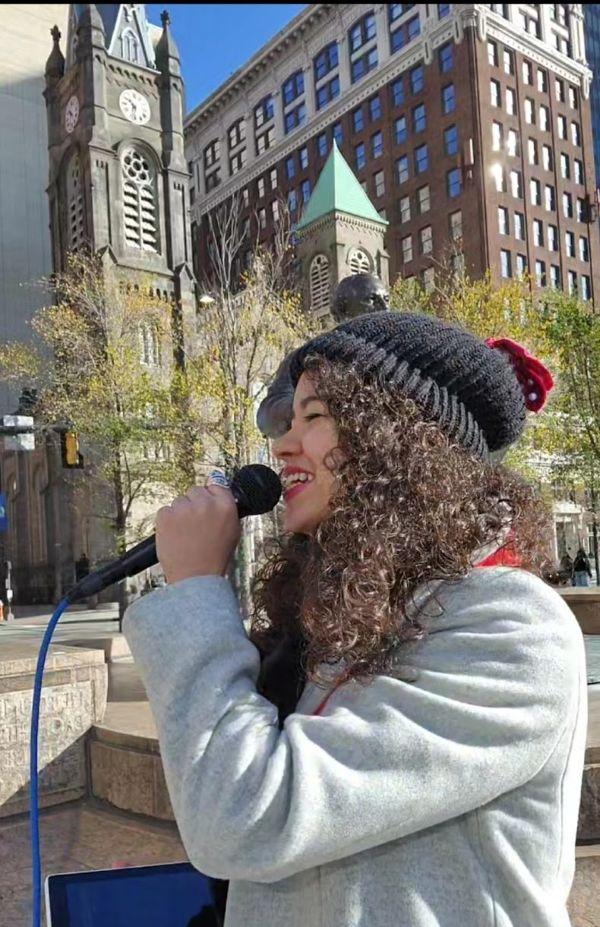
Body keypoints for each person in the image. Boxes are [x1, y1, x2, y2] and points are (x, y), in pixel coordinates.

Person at [123, 311, 587, 927]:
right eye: (288, 421)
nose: (283, 445)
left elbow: (248, 815)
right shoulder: (348, 617)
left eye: (314, 417)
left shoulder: (512, 627)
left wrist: (197, 591)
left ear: (399, 440)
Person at [256, 273, 389, 440]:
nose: (384, 308)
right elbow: (267, 417)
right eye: (371, 300)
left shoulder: (400, 357)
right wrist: (317, 408)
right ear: (343, 310)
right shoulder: (308, 357)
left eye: (387, 299)